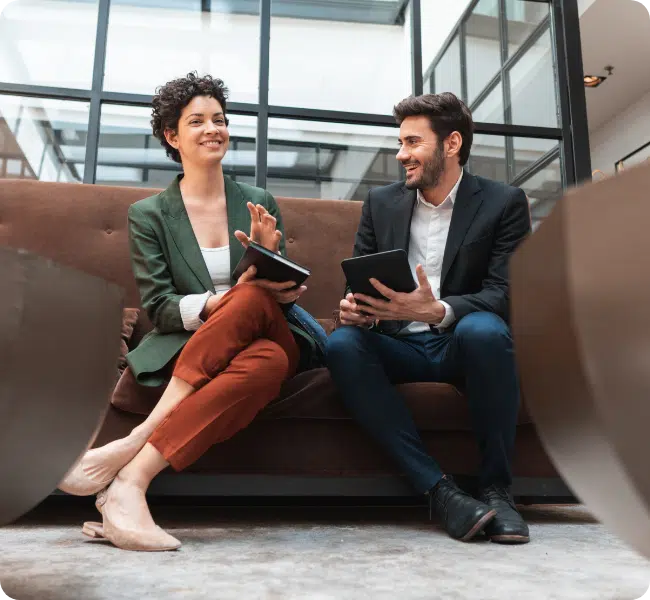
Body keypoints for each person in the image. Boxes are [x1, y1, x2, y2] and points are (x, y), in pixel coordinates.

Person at [58, 72, 326, 551]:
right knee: (266, 359)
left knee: (255, 298)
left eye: (219, 120)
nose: (213, 129)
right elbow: (159, 306)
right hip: (210, 344)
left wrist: (276, 272)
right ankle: (129, 487)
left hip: (273, 325)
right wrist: (218, 303)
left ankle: (136, 441)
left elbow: (283, 292)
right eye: (197, 121)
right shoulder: (149, 215)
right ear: (171, 135)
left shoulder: (258, 203)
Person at [326, 92, 532, 544]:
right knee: (340, 344)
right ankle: (439, 492)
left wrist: (438, 310)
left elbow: (505, 293)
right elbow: (359, 278)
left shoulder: (503, 203)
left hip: (462, 341)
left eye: (413, 143)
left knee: (485, 330)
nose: (402, 155)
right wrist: (354, 309)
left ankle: (497, 490)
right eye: (401, 143)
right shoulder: (381, 203)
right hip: (399, 343)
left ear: (452, 143)